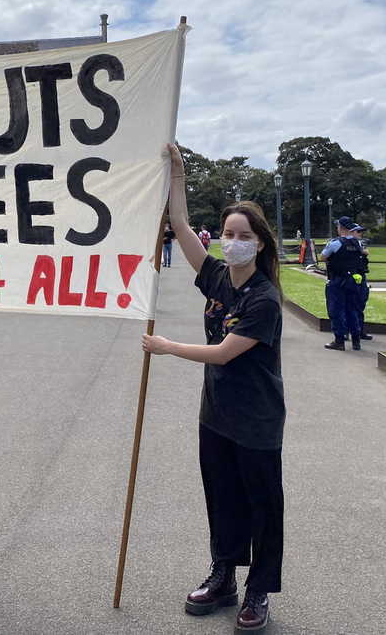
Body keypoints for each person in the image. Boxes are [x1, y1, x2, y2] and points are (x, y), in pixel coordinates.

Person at [141, 144, 285, 632]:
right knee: (221, 494)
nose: (233, 241)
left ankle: (258, 589)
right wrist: (178, 176)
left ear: (260, 244)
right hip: (217, 412)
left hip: (257, 418)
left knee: (262, 504)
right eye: (228, 234)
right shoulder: (219, 278)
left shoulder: (264, 299)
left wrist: (167, 346)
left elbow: (225, 352)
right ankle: (223, 573)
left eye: (244, 235)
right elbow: (180, 227)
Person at [320, 216, 363, 351]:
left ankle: (339, 340)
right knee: (352, 310)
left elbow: (323, 257)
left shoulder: (335, 243)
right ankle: (356, 341)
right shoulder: (357, 243)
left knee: (336, 310)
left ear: (341, 227)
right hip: (353, 280)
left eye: (337, 226)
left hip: (337, 280)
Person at [351, 225, 373, 342]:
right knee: (349, 304)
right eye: (358, 232)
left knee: (361, 303)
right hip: (350, 276)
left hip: (361, 275)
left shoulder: (360, 244)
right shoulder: (347, 244)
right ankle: (346, 331)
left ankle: (359, 330)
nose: (360, 234)